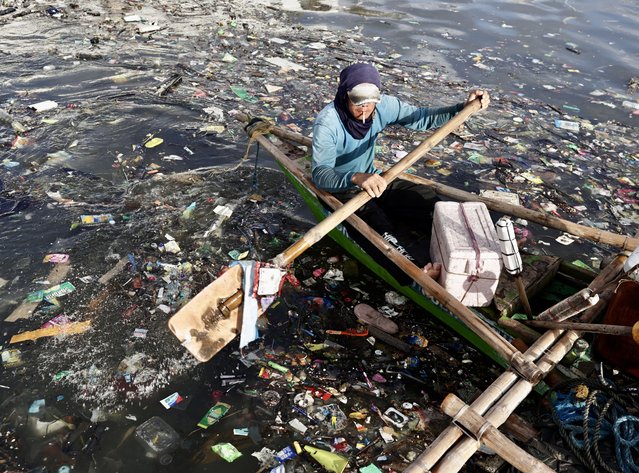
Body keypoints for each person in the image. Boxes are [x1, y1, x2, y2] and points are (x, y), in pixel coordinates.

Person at [311, 62, 490, 283]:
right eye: (358, 102)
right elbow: (320, 174)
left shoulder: (384, 107)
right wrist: (355, 177)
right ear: (344, 95)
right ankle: (416, 273)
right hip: (342, 188)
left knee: (426, 200)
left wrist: (461, 108)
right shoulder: (328, 123)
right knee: (378, 228)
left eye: (370, 103)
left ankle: (471, 244)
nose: (364, 109)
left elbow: (423, 117)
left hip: (374, 178)